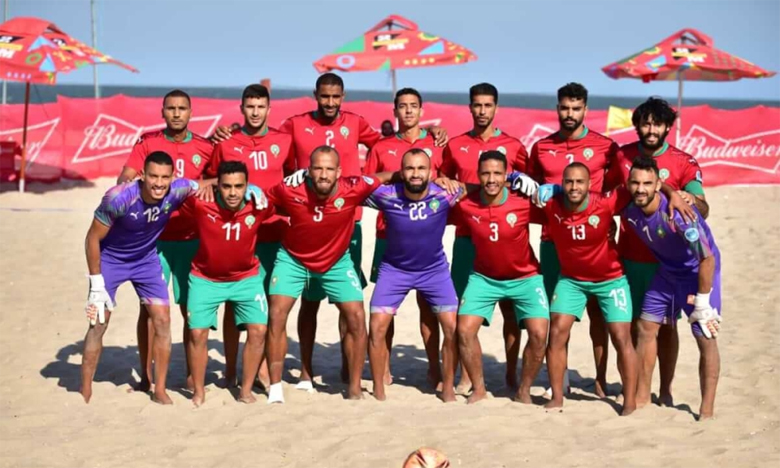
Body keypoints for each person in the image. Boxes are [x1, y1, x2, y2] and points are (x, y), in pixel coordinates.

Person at [535, 162, 694, 415]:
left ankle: (629, 401)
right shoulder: (552, 205)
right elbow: (510, 194)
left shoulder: (606, 202)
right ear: (561, 184)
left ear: (590, 185)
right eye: (568, 182)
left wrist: (672, 193)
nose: (574, 187)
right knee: (556, 332)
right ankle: (556, 397)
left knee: (622, 337)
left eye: (579, 182)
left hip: (611, 280)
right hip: (572, 280)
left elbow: (642, 186)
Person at [263, 146, 396, 403]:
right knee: (277, 314)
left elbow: (387, 176)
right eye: (317, 168)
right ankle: (276, 386)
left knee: (357, 317)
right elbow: (258, 199)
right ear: (308, 171)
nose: (323, 174)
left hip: (336, 261)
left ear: (339, 172)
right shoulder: (288, 189)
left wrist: (412, 175)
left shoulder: (354, 187)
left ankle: (354, 387)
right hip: (293, 259)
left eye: (329, 169)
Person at [81, 151, 206, 404]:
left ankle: (159, 389)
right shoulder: (119, 198)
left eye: (164, 177)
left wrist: (252, 189)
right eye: (153, 176)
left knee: (163, 319)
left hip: (146, 261)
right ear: (142, 175)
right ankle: (84, 390)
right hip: (111, 261)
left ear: (173, 177)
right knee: (99, 324)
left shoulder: (178, 190)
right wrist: (96, 284)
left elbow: (206, 185)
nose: (158, 183)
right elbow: (92, 238)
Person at [526, 83, 623, 397]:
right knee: (558, 316)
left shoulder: (606, 147)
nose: (570, 114)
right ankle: (561, 379)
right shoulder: (540, 148)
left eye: (576, 108)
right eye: (565, 108)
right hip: (553, 240)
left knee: (599, 314)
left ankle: (600, 378)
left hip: (594, 241)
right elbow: (531, 189)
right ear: (557, 108)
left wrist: (608, 223)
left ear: (586, 110)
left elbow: (616, 191)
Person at [613, 97, 709, 407]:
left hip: (663, 263)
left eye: (657, 123)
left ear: (668, 126)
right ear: (637, 125)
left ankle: (664, 389)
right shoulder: (621, 157)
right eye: (645, 122)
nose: (651, 129)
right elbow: (608, 197)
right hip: (628, 256)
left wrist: (688, 200)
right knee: (630, 328)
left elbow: (703, 208)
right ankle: (638, 389)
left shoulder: (684, 161)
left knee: (665, 329)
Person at [116, 89, 214, 392]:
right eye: (170, 108)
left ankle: (188, 373)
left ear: (190, 112)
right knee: (150, 311)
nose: (176, 113)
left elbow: (220, 179)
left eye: (181, 108)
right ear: (162, 112)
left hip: (192, 239)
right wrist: (131, 184)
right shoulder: (148, 143)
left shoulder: (206, 147)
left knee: (190, 311)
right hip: (153, 241)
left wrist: (196, 185)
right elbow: (124, 178)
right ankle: (147, 376)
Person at [440, 82, 530, 393]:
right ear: (469, 107)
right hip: (468, 238)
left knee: (511, 313)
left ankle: (510, 374)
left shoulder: (515, 146)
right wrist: (443, 178)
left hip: (507, 241)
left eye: (487, 105)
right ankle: (466, 376)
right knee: (462, 312)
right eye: (477, 105)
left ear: (496, 107)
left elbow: (529, 185)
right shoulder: (455, 145)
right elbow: (442, 176)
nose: (482, 111)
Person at [207, 84, 294, 388]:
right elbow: (207, 179)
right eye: (250, 106)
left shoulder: (284, 141)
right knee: (234, 304)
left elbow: (295, 180)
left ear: (269, 109)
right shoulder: (227, 140)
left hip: (275, 232)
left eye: (261, 107)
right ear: (241, 108)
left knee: (272, 305)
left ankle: (264, 369)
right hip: (237, 236)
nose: (255, 112)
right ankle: (232, 369)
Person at [623, 156, 721, 419]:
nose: (640, 188)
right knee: (645, 327)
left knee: (704, 334)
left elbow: (707, 259)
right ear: (628, 184)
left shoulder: (678, 215)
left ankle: (706, 411)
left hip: (697, 272)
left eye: (647, 183)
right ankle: (643, 396)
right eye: (635, 183)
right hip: (666, 271)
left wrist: (702, 303)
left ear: (657, 185)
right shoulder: (631, 210)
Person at [448, 151, 549, 405]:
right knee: (464, 330)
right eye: (485, 173)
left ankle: (523, 389)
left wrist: (546, 188)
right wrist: (441, 181)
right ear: (478, 175)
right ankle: (479, 389)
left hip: (525, 277)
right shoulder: (466, 202)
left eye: (497, 174)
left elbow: (560, 208)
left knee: (538, 334)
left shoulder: (523, 202)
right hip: (484, 278)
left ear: (506, 176)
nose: (491, 179)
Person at [364, 88, 445, 389]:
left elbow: (447, 184)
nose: (408, 111)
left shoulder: (436, 143)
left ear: (422, 110)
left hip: (427, 237)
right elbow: (366, 186)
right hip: (388, 236)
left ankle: (434, 369)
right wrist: (390, 178)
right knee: (386, 311)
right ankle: (384, 369)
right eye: (402, 106)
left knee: (429, 308)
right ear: (394, 111)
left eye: (413, 106)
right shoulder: (381, 147)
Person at [364, 148, 460, 402]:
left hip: (434, 271)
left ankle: (448, 387)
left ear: (431, 172)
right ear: (401, 171)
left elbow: (478, 187)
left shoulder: (445, 194)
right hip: (394, 270)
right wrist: (390, 176)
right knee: (376, 327)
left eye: (421, 168)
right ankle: (379, 389)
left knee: (452, 328)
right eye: (409, 168)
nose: (415, 174)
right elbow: (357, 187)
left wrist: (452, 181)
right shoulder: (386, 195)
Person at [181, 161, 272, 406]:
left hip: (246, 278)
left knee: (259, 331)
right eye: (227, 186)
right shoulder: (201, 203)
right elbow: (174, 187)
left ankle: (245, 390)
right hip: (205, 278)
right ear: (218, 186)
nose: (233, 193)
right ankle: (199, 392)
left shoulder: (259, 204)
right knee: (197, 333)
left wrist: (258, 188)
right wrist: (207, 183)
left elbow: (287, 195)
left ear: (247, 186)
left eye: (240, 186)